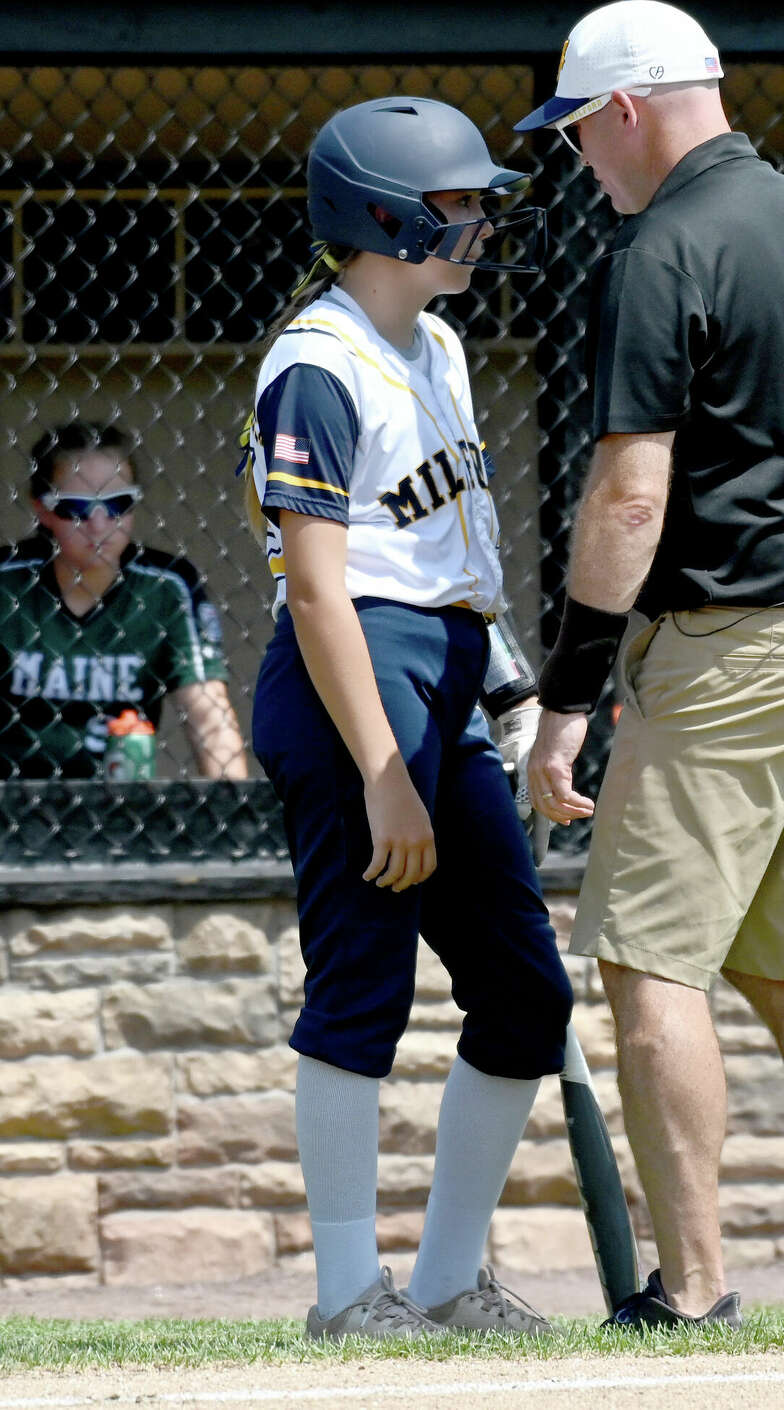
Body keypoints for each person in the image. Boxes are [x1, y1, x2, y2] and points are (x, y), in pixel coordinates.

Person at [516, 0, 784, 1330]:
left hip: (737, 643)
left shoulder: (662, 248)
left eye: (581, 133)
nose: (583, 161)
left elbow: (630, 493)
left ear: (628, 110)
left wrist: (570, 695)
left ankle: (695, 1289)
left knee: (649, 963)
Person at [244, 96, 573, 1341]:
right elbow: (319, 588)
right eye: (456, 204)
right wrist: (386, 769)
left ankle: (443, 1281)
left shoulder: (437, 345)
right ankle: (344, 1294)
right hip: (351, 687)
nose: (483, 222)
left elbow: (457, 558)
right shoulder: (316, 362)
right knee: (362, 987)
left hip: (442, 667)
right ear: (379, 214)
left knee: (524, 993)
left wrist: (518, 690)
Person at [0, 422, 247, 780]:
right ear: (43, 511)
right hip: (1, 806)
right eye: (76, 508)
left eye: (118, 504)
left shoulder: (166, 587)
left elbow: (210, 719)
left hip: (119, 811)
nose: (99, 525)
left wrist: (238, 818)